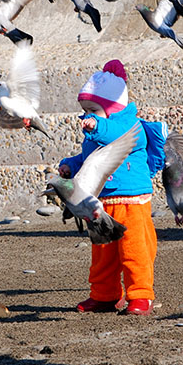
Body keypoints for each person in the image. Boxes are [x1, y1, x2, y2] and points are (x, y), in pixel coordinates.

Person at [57, 59, 168, 315]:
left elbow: (114, 133)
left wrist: (98, 125)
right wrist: (70, 166)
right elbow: (89, 161)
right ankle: (104, 295)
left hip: (132, 201)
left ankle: (140, 295)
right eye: (84, 110)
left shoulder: (131, 127)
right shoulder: (95, 133)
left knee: (134, 250)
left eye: (93, 109)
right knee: (103, 253)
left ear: (113, 107)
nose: (86, 115)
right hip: (101, 203)